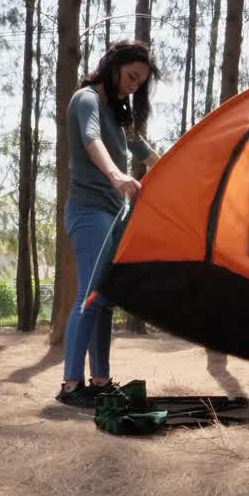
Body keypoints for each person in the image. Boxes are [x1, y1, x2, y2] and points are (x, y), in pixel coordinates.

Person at [55, 40, 162, 408]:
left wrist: (178, 175)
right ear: (114, 65)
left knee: (104, 300)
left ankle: (99, 381)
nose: (134, 85)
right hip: (89, 211)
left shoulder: (120, 114)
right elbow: (90, 140)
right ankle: (71, 386)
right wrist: (117, 176)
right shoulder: (86, 100)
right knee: (89, 296)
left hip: (115, 216)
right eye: (131, 76)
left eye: (140, 82)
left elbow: (146, 154)